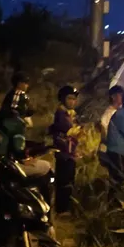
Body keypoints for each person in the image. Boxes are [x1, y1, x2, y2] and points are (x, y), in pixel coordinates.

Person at [48, 85, 81, 213]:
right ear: (62, 99)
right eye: (69, 98)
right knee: (64, 182)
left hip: (70, 153)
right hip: (64, 154)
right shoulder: (62, 114)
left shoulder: (70, 114)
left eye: (74, 99)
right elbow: (71, 130)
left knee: (68, 181)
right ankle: (62, 210)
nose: (72, 102)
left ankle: (65, 209)